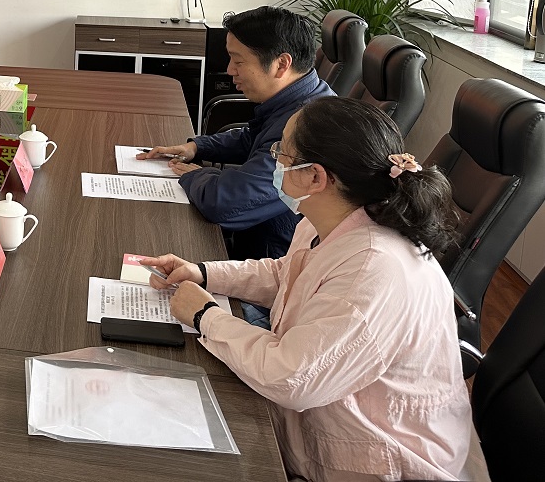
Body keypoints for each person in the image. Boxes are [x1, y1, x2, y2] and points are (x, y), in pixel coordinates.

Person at [138, 98, 472, 482]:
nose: (275, 160)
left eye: (282, 152)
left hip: (380, 459)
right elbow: (287, 274)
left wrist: (204, 315)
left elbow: (292, 379)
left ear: (316, 177)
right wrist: (203, 273)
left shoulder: (374, 268)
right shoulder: (331, 217)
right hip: (321, 412)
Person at [139, 6, 334, 263]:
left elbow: (226, 204)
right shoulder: (302, 96)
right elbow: (251, 138)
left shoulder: (308, 128)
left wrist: (197, 174)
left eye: (238, 61)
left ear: (281, 64)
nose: (230, 70)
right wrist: (197, 147)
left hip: (271, 260)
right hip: (257, 240)